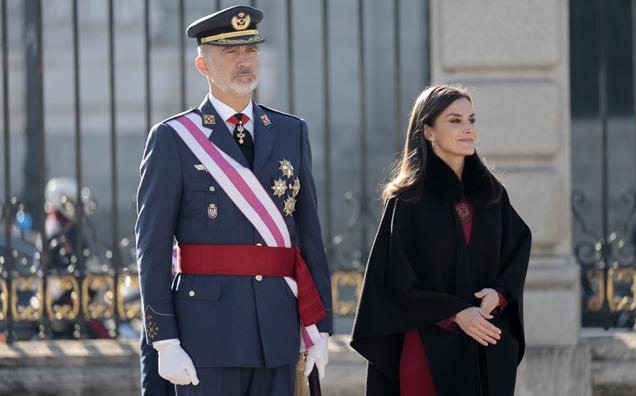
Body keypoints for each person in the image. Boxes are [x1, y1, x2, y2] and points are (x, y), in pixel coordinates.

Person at [135, 5, 332, 395]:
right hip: (205, 335)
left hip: (276, 330)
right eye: (230, 52)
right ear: (203, 65)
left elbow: (309, 236)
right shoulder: (174, 138)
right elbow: (152, 248)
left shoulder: (291, 131)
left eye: (251, 50)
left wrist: (320, 327)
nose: (244, 61)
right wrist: (164, 339)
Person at [350, 84, 532, 396]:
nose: (468, 130)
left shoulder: (491, 195)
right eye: (455, 120)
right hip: (427, 347)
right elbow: (395, 281)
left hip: (483, 345)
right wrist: (457, 312)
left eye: (471, 120)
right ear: (428, 131)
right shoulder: (408, 201)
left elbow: (518, 247)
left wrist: (500, 293)